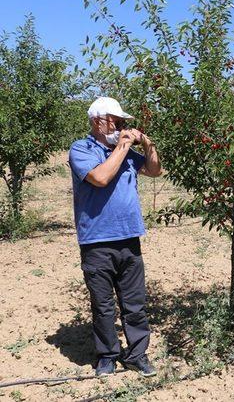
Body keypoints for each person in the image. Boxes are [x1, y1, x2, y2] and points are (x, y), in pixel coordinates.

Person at [68, 97, 162, 377]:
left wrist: (148, 144)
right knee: (103, 305)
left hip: (129, 237)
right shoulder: (81, 149)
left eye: (124, 123)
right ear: (98, 121)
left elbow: (155, 170)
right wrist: (122, 146)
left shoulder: (127, 153)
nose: (122, 127)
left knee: (135, 303)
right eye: (116, 121)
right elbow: (100, 178)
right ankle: (107, 355)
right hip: (96, 241)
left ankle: (137, 355)